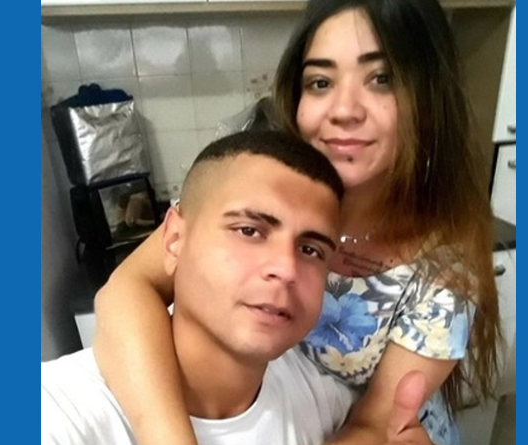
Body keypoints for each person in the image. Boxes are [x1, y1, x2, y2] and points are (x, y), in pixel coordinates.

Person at [93, 1, 502, 444]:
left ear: (429, 98)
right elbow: (128, 287)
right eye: (321, 82)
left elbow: (373, 423)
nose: (343, 110)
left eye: (381, 79)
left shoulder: (445, 262)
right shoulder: (254, 180)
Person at [44, 130, 356, 444]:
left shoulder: (319, 401)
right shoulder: (58, 415)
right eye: (249, 231)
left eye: (310, 250)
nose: (286, 269)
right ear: (174, 240)